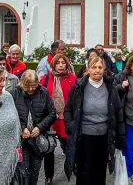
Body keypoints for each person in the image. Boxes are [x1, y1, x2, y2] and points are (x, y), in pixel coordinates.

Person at [64, 56, 125, 184]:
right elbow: (68, 110)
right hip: (84, 136)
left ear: (104, 69)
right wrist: (71, 127)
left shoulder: (111, 88)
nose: (97, 70)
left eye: (100, 67)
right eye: (94, 67)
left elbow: (118, 113)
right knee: (84, 171)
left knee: (100, 171)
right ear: (88, 69)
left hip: (104, 136)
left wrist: (119, 138)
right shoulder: (78, 87)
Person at [10, 70, 56, 185]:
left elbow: (52, 113)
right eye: (27, 86)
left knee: (35, 172)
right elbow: (10, 115)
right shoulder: (14, 93)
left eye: (33, 86)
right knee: (23, 172)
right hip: (21, 141)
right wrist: (22, 128)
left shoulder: (43, 92)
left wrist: (39, 127)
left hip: (38, 141)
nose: (30, 89)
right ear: (22, 83)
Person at [40, 54, 77, 184]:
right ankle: (48, 176)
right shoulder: (45, 78)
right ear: (53, 64)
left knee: (68, 145)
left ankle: (72, 164)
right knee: (49, 148)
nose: (61, 65)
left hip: (66, 118)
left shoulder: (72, 78)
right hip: (50, 118)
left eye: (63, 63)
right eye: (58, 63)